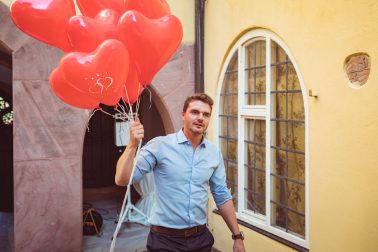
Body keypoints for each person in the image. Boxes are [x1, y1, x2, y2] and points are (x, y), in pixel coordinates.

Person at [115, 93, 246, 252]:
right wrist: (131, 145)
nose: (200, 117)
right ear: (183, 115)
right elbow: (122, 179)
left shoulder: (213, 153)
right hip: (165, 241)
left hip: (200, 239)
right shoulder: (160, 146)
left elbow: (221, 195)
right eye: (194, 112)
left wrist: (237, 236)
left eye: (205, 114)